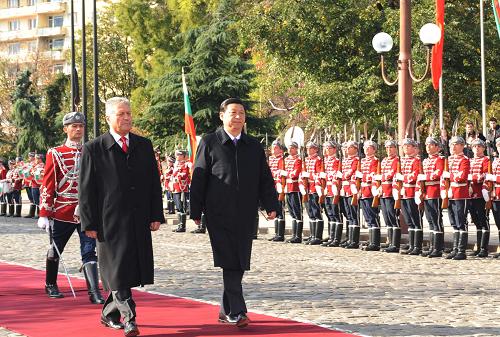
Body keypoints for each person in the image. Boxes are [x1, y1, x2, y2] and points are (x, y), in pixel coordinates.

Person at [189, 98, 278, 329]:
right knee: (229, 259)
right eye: (232, 113)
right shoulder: (210, 142)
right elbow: (199, 177)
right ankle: (237, 311)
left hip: (246, 212)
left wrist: (271, 204)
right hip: (218, 212)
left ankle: (225, 309)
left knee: (239, 260)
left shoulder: (253, 145)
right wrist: (195, 209)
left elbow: (264, 178)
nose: (237, 117)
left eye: (241, 113)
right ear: (222, 116)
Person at [79, 97, 164, 336]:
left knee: (129, 269)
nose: (126, 117)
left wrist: (156, 213)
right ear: (108, 118)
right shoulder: (94, 148)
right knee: (118, 269)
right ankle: (129, 318)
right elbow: (86, 190)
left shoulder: (143, 145)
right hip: (109, 221)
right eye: (121, 114)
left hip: (138, 219)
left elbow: (153, 183)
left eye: (128, 113)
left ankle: (109, 313)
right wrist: (89, 223)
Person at [37, 111, 104, 303]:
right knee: (55, 249)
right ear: (66, 129)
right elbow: (48, 184)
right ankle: (50, 284)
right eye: (74, 126)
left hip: (86, 212)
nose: (78, 129)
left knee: (90, 251)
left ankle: (94, 292)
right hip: (63, 211)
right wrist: (44, 213)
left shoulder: (90, 150)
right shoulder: (55, 153)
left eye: (81, 126)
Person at [442, 136, 470, 260]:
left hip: (460, 193)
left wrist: (450, 176)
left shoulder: (464, 159)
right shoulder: (449, 159)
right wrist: (444, 189)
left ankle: (461, 250)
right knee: (453, 222)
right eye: (451, 144)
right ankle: (455, 248)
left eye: (456, 144)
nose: (453, 147)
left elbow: (462, 176)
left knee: (461, 221)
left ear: (462, 146)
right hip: (451, 193)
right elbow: (444, 177)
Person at [418, 137, 445, 257]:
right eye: (427, 145)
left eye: (431, 145)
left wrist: (426, 177)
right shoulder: (425, 161)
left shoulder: (440, 159)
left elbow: (438, 174)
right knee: (430, 220)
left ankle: (438, 248)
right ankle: (432, 246)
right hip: (427, 192)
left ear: (437, 147)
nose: (428, 147)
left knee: (436, 220)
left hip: (435, 191)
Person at [395, 138, 422, 255]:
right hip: (404, 192)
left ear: (414, 148)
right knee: (409, 220)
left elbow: (415, 175)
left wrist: (404, 178)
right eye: (404, 146)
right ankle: (412, 245)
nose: (406, 148)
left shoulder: (416, 161)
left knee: (416, 220)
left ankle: (417, 246)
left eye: (408, 146)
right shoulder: (402, 161)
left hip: (412, 192)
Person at [467, 139, 490, 258]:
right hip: (470, 194)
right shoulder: (470, 160)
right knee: (476, 220)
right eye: (474, 146)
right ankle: (479, 246)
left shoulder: (485, 159)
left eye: (479, 146)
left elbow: (485, 175)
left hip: (481, 193)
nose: (476, 148)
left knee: (483, 220)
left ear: (483, 148)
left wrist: (473, 178)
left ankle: (484, 248)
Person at [357, 140, 381, 251]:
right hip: (363, 190)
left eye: (369, 147)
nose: (366, 149)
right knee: (367, 217)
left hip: (371, 191)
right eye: (365, 147)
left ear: (374, 149)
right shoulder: (361, 161)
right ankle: (372, 240)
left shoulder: (376, 161)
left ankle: (375, 242)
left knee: (373, 216)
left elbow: (373, 175)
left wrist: (363, 177)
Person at [378, 140, 400, 253]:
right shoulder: (384, 161)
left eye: (391, 147)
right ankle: (390, 242)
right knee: (386, 218)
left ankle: (395, 244)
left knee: (393, 217)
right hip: (383, 191)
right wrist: (379, 185)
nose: (389, 149)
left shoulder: (397, 161)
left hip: (392, 192)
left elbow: (392, 174)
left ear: (395, 149)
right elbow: (380, 175)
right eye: (387, 148)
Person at [300, 141, 324, 245]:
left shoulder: (318, 160)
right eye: (307, 148)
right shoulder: (305, 160)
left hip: (314, 188)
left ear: (316, 149)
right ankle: (312, 234)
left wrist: (308, 175)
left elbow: (319, 175)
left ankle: (317, 236)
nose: (308, 150)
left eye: (311, 148)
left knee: (316, 211)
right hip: (307, 188)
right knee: (310, 212)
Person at [321, 141, 343, 247]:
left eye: (329, 148)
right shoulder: (325, 161)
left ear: (334, 149)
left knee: (336, 214)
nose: (327, 150)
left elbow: (336, 175)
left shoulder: (337, 161)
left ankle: (336, 239)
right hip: (327, 189)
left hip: (334, 189)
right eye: (326, 148)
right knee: (330, 214)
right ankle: (331, 236)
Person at [341, 141, 361, 249]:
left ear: (355, 149)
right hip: (345, 189)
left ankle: (354, 240)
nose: (347, 149)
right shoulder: (345, 160)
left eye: (350, 147)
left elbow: (350, 173)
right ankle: (350, 238)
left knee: (354, 215)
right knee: (348, 215)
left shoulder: (356, 160)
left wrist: (343, 176)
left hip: (352, 189)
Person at [284, 141, 303, 243]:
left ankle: (298, 236)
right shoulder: (286, 160)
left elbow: (295, 174)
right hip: (287, 187)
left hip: (295, 187)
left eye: (292, 148)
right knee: (291, 211)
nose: (290, 150)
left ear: (296, 149)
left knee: (297, 211)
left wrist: (285, 173)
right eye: (289, 148)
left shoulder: (298, 160)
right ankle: (294, 234)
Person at [267, 140, 286, 241]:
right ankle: (277, 233)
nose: (274, 149)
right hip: (272, 186)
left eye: (276, 148)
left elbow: (281, 172)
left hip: (279, 185)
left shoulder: (282, 159)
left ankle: (281, 234)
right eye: (273, 147)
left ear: (280, 149)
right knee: (275, 207)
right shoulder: (270, 159)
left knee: (280, 208)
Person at [487, 138, 500, 257]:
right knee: (498, 222)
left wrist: (494, 179)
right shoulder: (495, 161)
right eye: (498, 145)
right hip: (495, 195)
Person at [30, 153, 45, 219]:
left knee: (39, 199)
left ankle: (39, 214)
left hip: (39, 184)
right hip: (34, 184)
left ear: (40, 159)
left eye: (36, 158)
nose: (35, 159)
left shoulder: (42, 165)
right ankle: (37, 213)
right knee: (35, 199)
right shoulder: (35, 165)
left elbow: (43, 174)